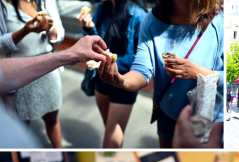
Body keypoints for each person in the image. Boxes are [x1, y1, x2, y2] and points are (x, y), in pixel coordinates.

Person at [98, 0, 224, 148]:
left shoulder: (220, 20)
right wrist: (119, 80)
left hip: (208, 120)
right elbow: (141, 70)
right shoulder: (151, 20)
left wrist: (197, 72)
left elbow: (229, 79)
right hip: (167, 117)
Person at [77, 0, 146, 148]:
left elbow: (143, 60)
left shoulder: (139, 16)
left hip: (124, 82)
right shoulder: (103, 7)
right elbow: (96, 43)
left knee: (110, 144)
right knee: (110, 130)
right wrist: (88, 28)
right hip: (100, 79)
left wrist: (109, 60)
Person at [1, 0, 65, 148]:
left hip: (49, 68)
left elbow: (59, 34)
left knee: (52, 118)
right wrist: (25, 31)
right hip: (19, 73)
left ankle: (59, 155)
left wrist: (49, 29)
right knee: (22, 125)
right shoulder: (3, 5)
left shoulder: (46, 1)